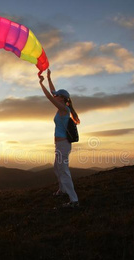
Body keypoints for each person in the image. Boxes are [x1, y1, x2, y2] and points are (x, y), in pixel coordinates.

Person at [39, 69, 80, 208]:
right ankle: (62, 190)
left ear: (61, 98)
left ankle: (74, 200)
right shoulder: (61, 108)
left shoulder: (64, 110)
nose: (55, 96)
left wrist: (41, 84)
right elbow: (53, 93)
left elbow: (50, 97)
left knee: (63, 171)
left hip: (63, 146)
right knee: (57, 169)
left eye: (57, 96)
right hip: (60, 145)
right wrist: (49, 79)